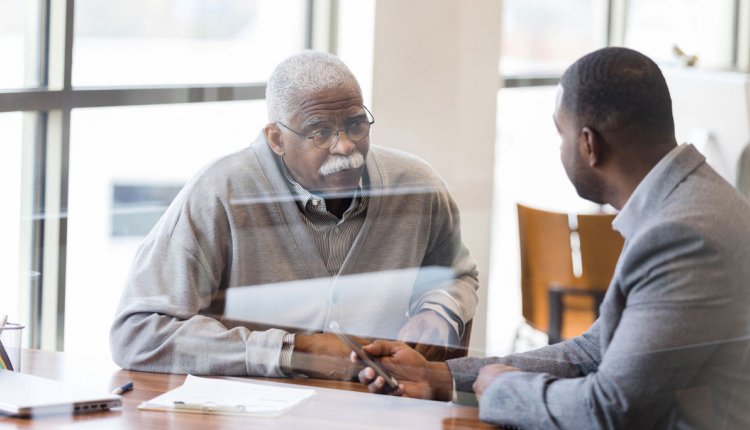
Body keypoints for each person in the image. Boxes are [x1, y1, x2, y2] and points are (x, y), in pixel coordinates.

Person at [357, 47, 750, 429]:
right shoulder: (680, 203)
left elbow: (611, 410)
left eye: (560, 135)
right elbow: (593, 351)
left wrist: (504, 388)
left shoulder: (682, 233)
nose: (560, 150)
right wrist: (441, 377)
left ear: (588, 144)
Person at [110, 50, 479, 379]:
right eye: (320, 132)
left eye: (355, 124)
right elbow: (139, 333)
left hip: (382, 406)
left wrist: (438, 313)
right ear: (275, 139)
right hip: (253, 414)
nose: (345, 146)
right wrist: (294, 352)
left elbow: (456, 274)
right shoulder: (220, 193)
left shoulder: (415, 185)